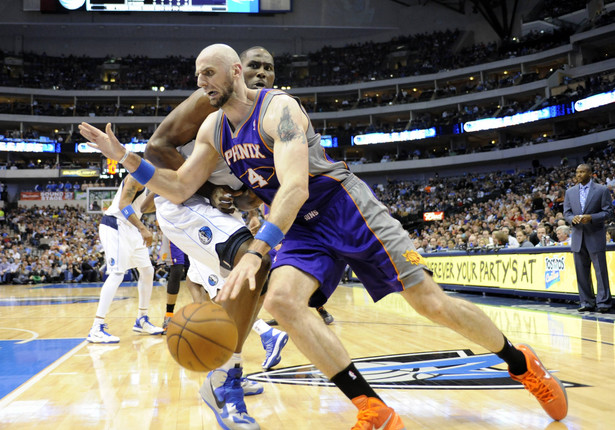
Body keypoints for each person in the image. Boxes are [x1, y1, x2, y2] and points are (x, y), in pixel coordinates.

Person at [79, 43, 568, 428]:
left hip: (344, 207)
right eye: (196, 75)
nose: (201, 81)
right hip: (302, 231)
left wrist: (257, 253)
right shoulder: (212, 129)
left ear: (234, 73)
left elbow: (294, 189)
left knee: (430, 304)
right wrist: (124, 156)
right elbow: (181, 186)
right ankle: (372, 409)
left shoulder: (279, 110)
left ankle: (519, 361)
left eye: (209, 72)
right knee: (282, 303)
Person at [142, 46, 289, 430]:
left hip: (219, 212)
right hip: (184, 200)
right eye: (254, 65)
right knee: (252, 261)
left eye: (268, 68)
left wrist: (245, 198)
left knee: (250, 281)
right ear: (237, 70)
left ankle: (225, 369)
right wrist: (209, 190)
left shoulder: (273, 116)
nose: (261, 73)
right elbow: (156, 147)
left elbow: (251, 193)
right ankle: (226, 379)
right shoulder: (209, 98)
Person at [86, 175, 164, 344]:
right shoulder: (136, 176)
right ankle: (96, 327)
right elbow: (123, 205)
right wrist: (143, 228)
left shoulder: (151, 180)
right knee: (116, 274)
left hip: (131, 229)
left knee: (148, 271)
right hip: (116, 225)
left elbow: (142, 207)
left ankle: (142, 319)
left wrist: (160, 195)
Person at [564, 163, 612, 313]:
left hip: (595, 235)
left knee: (600, 271)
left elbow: (608, 212)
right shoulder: (570, 192)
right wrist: (573, 219)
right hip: (578, 236)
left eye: (582, 172)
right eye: (577, 172)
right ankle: (586, 302)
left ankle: (603, 303)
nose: (579, 175)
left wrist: (591, 217)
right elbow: (567, 213)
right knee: (581, 272)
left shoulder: (602, 190)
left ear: (590, 173)